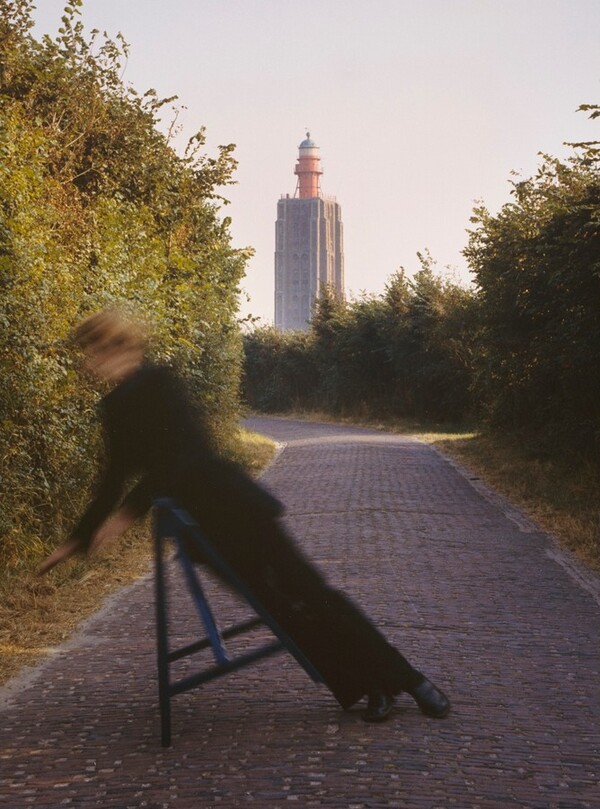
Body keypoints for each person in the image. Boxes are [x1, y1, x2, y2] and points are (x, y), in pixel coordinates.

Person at [39, 309, 451, 723]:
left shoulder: (161, 381)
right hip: (202, 529)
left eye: (94, 352)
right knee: (281, 611)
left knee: (312, 593)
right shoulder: (114, 405)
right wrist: (76, 540)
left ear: (119, 347)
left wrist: (129, 513)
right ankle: (367, 686)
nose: (91, 363)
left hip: (235, 507)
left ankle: (410, 680)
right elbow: (112, 477)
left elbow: (182, 455)